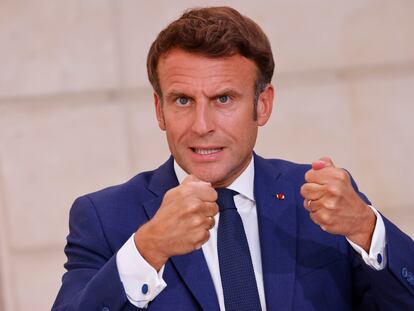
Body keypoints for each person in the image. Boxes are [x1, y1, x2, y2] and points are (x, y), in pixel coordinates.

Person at [52, 6, 414, 311]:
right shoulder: (103, 218)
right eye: (182, 100)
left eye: (223, 99)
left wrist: (368, 229)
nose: (202, 125)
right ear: (159, 110)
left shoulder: (321, 200)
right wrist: (148, 250)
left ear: (263, 104)